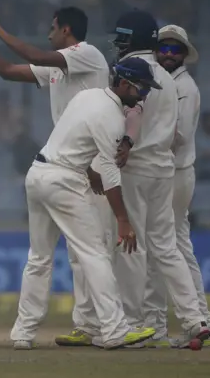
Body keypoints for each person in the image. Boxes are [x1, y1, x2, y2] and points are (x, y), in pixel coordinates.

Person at [0, 0, 128, 347]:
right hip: (66, 166)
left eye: (52, 28)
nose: (48, 33)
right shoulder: (59, 66)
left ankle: (87, 325)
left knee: (88, 250)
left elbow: (36, 56)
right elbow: (8, 71)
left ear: (66, 29)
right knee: (80, 252)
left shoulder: (88, 54)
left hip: (92, 164)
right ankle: (79, 328)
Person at [10, 57, 160, 350]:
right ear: (125, 83)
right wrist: (123, 221)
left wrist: (88, 172)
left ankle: (22, 333)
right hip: (63, 182)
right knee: (94, 254)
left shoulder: (86, 96)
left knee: (39, 258)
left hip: (38, 173)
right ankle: (115, 329)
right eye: (142, 88)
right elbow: (111, 172)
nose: (144, 95)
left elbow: (72, 139)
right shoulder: (113, 118)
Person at [111, 11, 210, 348]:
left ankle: (135, 327)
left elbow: (127, 116)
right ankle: (194, 319)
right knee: (167, 248)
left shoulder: (130, 72)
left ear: (132, 39)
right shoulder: (170, 80)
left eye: (123, 37)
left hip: (136, 168)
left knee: (132, 247)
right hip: (165, 170)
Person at [143, 24, 210, 347]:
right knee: (177, 247)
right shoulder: (165, 82)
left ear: (184, 54)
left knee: (161, 248)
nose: (169, 54)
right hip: (170, 173)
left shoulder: (184, 87)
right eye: (164, 48)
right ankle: (202, 324)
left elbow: (180, 135)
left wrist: (139, 144)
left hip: (173, 174)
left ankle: (159, 326)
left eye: (176, 49)